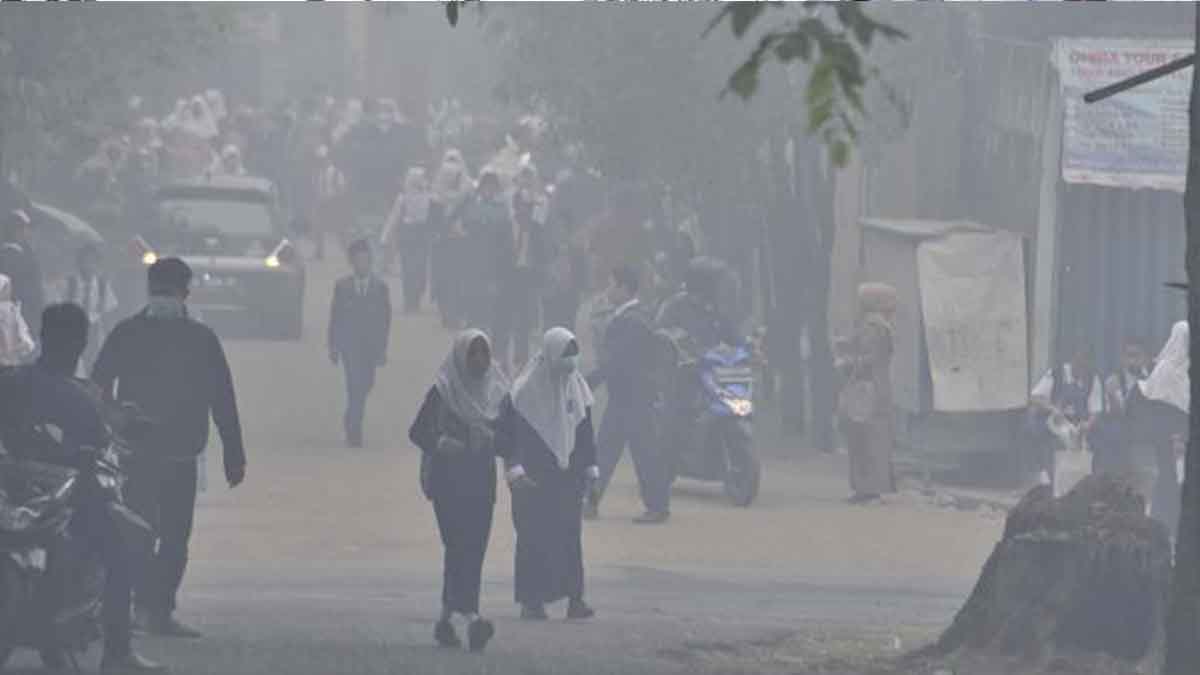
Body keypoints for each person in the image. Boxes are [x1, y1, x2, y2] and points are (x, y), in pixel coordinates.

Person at [92, 257, 247, 639]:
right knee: (139, 533)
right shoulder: (125, 333)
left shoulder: (201, 339)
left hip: (181, 455)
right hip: (136, 455)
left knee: (177, 538)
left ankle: (158, 610)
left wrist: (234, 451)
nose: (165, 298)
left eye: (170, 292)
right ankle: (140, 606)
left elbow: (222, 396)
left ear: (185, 294)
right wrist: (113, 421)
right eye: (159, 291)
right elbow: (98, 387)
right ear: (149, 291)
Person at [26, 303, 166, 673]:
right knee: (129, 544)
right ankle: (117, 649)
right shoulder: (80, 394)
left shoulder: (14, 381)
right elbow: (103, 436)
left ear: (42, 336)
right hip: (72, 496)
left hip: (18, 495)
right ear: (82, 342)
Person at [409, 330, 511, 651]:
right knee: (458, 547)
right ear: (460, 357)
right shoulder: (443, 391)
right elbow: (417, 431)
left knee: (472, 552)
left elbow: (511, 439)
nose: (480, 361)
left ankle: (447, 620)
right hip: (448, 485)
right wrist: (441, 443)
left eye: (484, 353)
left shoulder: (498, 393)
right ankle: (471, 618)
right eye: (473, 354)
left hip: (481, 485)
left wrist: (492, 440)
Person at [498, 327, 598, 621]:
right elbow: (506, 435)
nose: (568, 369)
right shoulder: (523, 391)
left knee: (570, 536)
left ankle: (575, 599)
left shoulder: (576, 386)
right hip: (533, 479)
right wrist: (514, 471)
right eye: (563, 359)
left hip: (568, 478)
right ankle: (532, 601)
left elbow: (585, 432)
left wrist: (591, 471)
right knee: (532, 537)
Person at [586, 264, 670, 523]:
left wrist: (590, 381)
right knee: (611, 451)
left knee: (633, 453)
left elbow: (618, 362)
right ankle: (591, 502)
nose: (608, 290)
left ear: (624, 288)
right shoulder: (638, 317)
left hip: (630, 398)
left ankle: (656, 507)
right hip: (631, 397)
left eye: (612, 285)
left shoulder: (630, 322)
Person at [836, 283, 898, 504]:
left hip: (867, 388)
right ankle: (866, 488)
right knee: (868, 439)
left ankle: (868, 489)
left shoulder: (873, 327)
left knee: (865, 439)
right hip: (875, 387)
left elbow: (871, 358)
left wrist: (847, 362)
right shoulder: (878, 325)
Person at [328, 239, 391, 448]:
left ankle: (351, 416)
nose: (362, 264)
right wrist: (333, 346)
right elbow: (335, 317)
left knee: (366, 384)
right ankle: (354, 428)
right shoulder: (342, 286)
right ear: (352, 262)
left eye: (366, 260)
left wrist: (382, 349)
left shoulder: (380, 288)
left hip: (370, 347)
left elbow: (385, 321)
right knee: (354, 385)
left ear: (370, 262)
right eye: (358, 260)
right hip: (349, 346)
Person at [1131, 321, 1189, 537]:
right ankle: (1164, 525)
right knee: (1168, 477)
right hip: (1167, 433)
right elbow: (1155, 400)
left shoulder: (1186, 367)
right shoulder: (1166, 369)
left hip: (1181, 432)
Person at [1028, 348, 1104, 488]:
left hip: (1078, 426)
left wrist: (1088, 424)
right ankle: (1049, 481)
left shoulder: (1093, 379)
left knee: (1091, 448)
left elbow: (1096, 410)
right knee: (1052, 448)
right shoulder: (1056, 374)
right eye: (1078, 363)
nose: (1081, 368)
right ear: (1073, 359)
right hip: (1054, 424)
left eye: (1085, 365)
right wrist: (1053, 409)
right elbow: (1035, 397)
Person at [1093, 338, 1154, 490]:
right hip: (1121, 439)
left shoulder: (1153, 380)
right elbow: (1119, 412)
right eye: (1129, 355)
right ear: (1122, 358)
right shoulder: (1114, 381)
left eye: (1136, 355)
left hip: (1146, 438)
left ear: (1145, 358)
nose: (1132, 360)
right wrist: (1112, 395)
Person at [55, 243, 120, 374]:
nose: (89, 265)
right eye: (86, 261)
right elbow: (59, 305)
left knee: (92, 363)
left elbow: (109, 311)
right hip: (72, 327)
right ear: (79, 263)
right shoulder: (69, 283)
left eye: (93, 262)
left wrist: (108, 333)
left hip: (93, 328)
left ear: (98, 264)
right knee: (69, 363)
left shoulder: (102, 285)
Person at [655, 257, 739, 352]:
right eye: (720, 284)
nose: (725, 290)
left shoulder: (717, 309)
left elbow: (734, 342)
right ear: (705, 285)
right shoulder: (673, 309)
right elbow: (662, 343)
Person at [380, 167, 434, 313]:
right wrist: (385, 236)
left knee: (420, 269)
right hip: (408, 236)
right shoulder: (403, 198)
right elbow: (394, 218)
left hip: (421, 235)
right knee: (408, 268)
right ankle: (410, 301)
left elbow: (434, 218)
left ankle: (416, 295)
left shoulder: (429, 197)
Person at [0, 209, 45, 336]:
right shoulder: (9, 255)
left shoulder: (25, 254)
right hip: (18, 320)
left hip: (25, 319)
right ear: (15, 231)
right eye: (26, 229)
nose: (30, 233)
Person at [0, 273, 35, 367]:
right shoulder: (10, 310)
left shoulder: (13, 310)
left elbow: (24, 336)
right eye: (6, 288)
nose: (9, 292)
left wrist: (24, 344)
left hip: (13, 363)